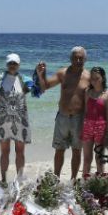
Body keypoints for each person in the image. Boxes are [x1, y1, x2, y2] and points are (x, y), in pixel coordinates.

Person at [36, 46, 91, 181]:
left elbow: (100, 91)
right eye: (75, 57)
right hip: (62, 117)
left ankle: (73, 179)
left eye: (81, 58)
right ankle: (56, 178)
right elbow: (45, 86)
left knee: (76, 151)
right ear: (70, 58)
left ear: (85, 59)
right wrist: (41, 74)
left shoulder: (89, 77)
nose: (78, 60)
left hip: (79, 118)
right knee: (59, 150)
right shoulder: (63, 73)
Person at [0, 53, 35, 184]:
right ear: (6, 64)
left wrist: (40, 72)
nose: (12, 65)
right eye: (10, 63)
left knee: (20, 151)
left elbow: (37, 88)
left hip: (20, 120)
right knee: (5, 151)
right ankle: (3, 179)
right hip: (2, 119)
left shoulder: (24, 79)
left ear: (19, 64)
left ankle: (19, 179)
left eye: (15, 63)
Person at [81, 67, 108, 176]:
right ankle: (84, 182)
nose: (94, 81)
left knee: (99, 158)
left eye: (97, 78)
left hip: (101, 128)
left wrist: (107, 136)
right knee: (87, 158)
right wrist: (82, 128)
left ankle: (100, 183)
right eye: (92, 79)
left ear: (103, 78)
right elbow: (85, 111)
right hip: (87, 126)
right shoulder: (87, 92)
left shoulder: (107, 95)